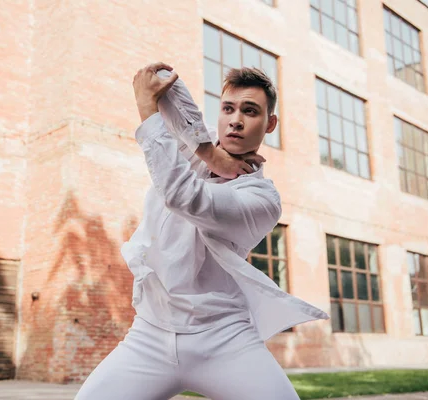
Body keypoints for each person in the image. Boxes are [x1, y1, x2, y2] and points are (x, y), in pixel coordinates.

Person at [75, 63, 328, 400]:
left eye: (250, 111)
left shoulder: (262, 199)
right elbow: (165, 85)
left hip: (223, 338)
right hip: (152, 333)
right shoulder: (198, 143)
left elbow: (185, 197)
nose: (235, 120)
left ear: (270, 124)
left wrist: (146, 108)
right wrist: (209, 153)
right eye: (228, 108)